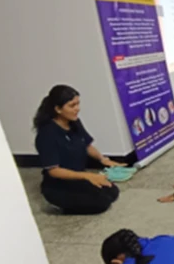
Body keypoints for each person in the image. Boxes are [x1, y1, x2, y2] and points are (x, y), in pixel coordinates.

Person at [34, 85, 123, 215]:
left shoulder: (75, 122)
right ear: (58, 109)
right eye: (72, 105)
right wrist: (88, 176)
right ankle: (62, 205)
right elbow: (54, 171)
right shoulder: (47, 134)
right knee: (101, 203)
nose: (77, 109)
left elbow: (87, 145)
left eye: (78, 104)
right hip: (58, 185)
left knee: (112, 191)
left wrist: (103, 159)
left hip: (78, 177)